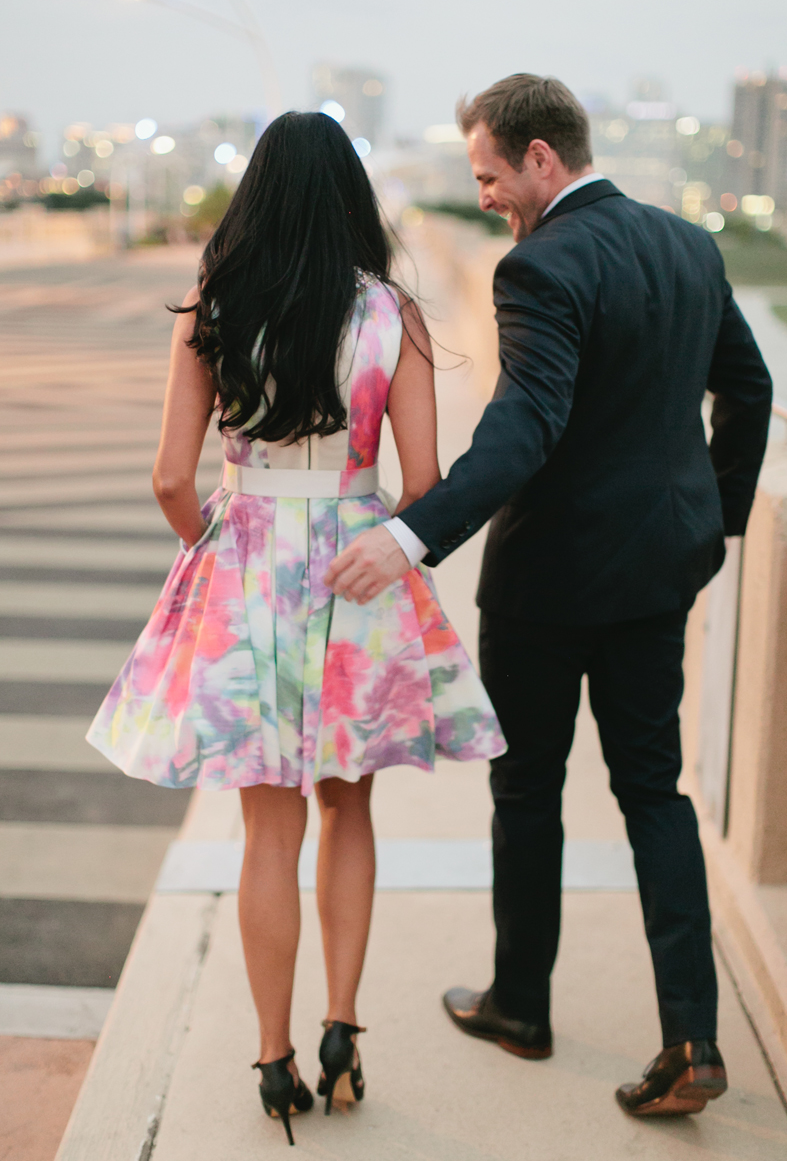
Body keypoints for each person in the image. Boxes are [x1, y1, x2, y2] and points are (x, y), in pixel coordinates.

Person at [326, 73, 773, 1117]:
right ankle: (692, 1041)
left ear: (539, 158)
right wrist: (717, 519)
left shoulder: (538, 267)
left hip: (548, 583)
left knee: (527, 792)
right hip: (660, 568)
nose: (481, 196)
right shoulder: (686, 244)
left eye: (487, 175)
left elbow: (523, 431)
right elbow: (746, 390)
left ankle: (519, 1005)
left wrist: (408, 535)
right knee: (654, 795)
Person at [86, 111, 504, 1147]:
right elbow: (427, 487)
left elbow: (172, 478)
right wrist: (364, 528)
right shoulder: (391, 315)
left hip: (247, 567)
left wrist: (214, 550)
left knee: (267, 830)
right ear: (350, 199)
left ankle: (270, 1059)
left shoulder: (215, 312)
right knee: (346, 813)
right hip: (357, 573)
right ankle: (341, 1032)